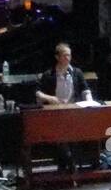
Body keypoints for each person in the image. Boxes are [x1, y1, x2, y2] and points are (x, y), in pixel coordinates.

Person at [34, 42, 91, 172]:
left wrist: (89, 101)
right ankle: (69, 163)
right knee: (60, 136)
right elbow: (37, 92)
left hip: (73, 112)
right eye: (64, 56)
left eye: (69, 55)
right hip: (55, 113)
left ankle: (69, 163)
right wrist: (49, 98)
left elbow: (85, 89)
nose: (67, 58)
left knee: (77, 134)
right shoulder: (49, 74)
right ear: (57, 57)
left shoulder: (76, 72)